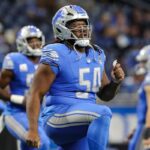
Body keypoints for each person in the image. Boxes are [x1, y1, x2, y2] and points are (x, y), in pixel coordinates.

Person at [25, 5, 125, 150]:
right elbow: (35, 93)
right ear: (61, 28)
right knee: (103, 113)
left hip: (80, 122)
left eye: (84, 24)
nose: (82, 29)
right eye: (76, 25)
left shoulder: (96, 53)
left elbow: (105, 95)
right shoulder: (56, 52)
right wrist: (33, 129)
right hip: (57, 116)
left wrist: (115, 82)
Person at [0, 25, 51, 150]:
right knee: (42, 143)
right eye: (30, 40)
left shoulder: (47, 62)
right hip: (16, 113)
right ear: (22, 42)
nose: (35, 43)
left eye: (37, 39)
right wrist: (19, 99)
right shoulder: (14, 59)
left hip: (39, 115)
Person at [128, 45, 150, 150]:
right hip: (143, 124)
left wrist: (147, 128)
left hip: (146, 125)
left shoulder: (149, 80)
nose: (141, 64)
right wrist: (137, 128)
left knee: (133, 147)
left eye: (144, 61)